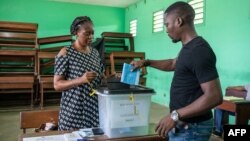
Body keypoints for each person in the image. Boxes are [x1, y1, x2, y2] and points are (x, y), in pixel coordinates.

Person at [131, 1, 223, 140]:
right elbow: (173, 64)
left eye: (167, 24)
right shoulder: (188, 47)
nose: (166, 29)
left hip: (192, 128)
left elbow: (214, 96)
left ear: (179, 21)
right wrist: (146, 62)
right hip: (185, 124)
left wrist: (175, 115)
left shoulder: (199, 51)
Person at [54, 16, 104, 130]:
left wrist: (111, 77)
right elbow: (57, 85)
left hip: (94, 110)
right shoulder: (66, 52)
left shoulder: (95, 53)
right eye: (87, 33)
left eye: (92, 33)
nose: (91, 37)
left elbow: (101, 76)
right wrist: (80, 80)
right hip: (73, 111)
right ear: (76, 32)